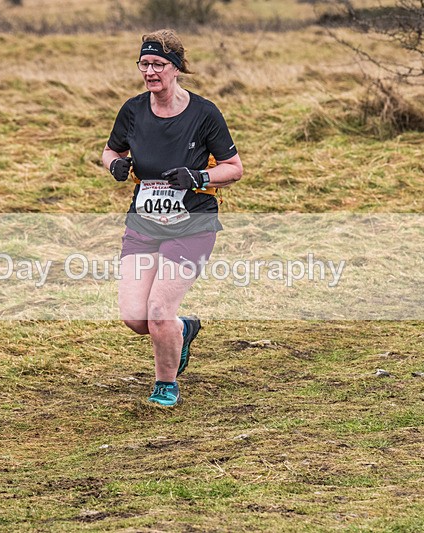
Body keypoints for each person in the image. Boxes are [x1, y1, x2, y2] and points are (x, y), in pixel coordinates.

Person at [102, 29, 243, 407]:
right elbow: (110, 150)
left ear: (176, 68)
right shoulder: (132, 110)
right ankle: (184, 329)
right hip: (144, 225)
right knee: (136, 318)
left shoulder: (204, 113)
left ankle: (165, 385)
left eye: (158, 65)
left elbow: (234, 168)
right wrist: (116, 165)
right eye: (144, 64)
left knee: (159, 312)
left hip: (193, 224)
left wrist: (199, 177)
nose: (150, 72)